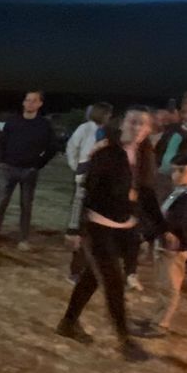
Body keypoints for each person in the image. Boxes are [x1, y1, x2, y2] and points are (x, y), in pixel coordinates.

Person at [56, 107, 159, 362]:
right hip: (98, 227)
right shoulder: (105, 152)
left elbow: (145, 194)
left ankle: (68, 322)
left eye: (143, 124)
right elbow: (84, 190)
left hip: (125, 229)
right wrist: (75, 228)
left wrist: (160, 228)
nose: (137, 127)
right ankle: (125, 340)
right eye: (133, 121)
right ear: (123, 123)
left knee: (92, 277)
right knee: (113, 281)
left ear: (148, 130)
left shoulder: (145, 156)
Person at [137, 153, 187, 335]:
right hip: (165, 245)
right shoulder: (181, 192)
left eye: (182, 170)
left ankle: (161, 325)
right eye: (174, 170)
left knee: (169, 287)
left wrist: (158, 233)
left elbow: (179, 223)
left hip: (174, 249)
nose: (176, 175)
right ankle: (156, 318)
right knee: (162, 285)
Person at [0, 90, 57, 249]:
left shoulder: (44, 125)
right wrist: (1, 160)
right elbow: (2, 142)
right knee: (0, 204)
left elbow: (52, 147)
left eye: (34, 101)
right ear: (24, 102)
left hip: (29, 171)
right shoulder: (13, 121)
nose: (29, 103)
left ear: (40, 104)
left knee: (26, 206)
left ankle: (23, 240)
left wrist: (38, 164)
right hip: (8, 168)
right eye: (27, 100)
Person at [64, 102, 113, 263]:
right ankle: (73, 229)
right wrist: (76, 166)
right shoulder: (85, 128)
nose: (109, 117)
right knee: (78, 200)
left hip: (97, 172)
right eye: (107, 114)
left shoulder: (106, 131)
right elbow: (72, 147)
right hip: (84, 170)